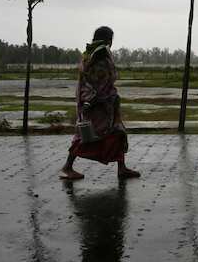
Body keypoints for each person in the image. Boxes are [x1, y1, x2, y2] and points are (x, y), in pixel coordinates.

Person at [60, 26, 140, 180]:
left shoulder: (90, 54)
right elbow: (99, 80)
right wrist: (102, 98)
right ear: (107, 39)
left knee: (117, 132)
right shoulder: (99, 56)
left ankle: (121, 168)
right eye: (111, 39)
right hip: (98, 103)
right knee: (87, 135)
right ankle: (67, 167)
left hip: (101, 102)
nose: (111, 42)